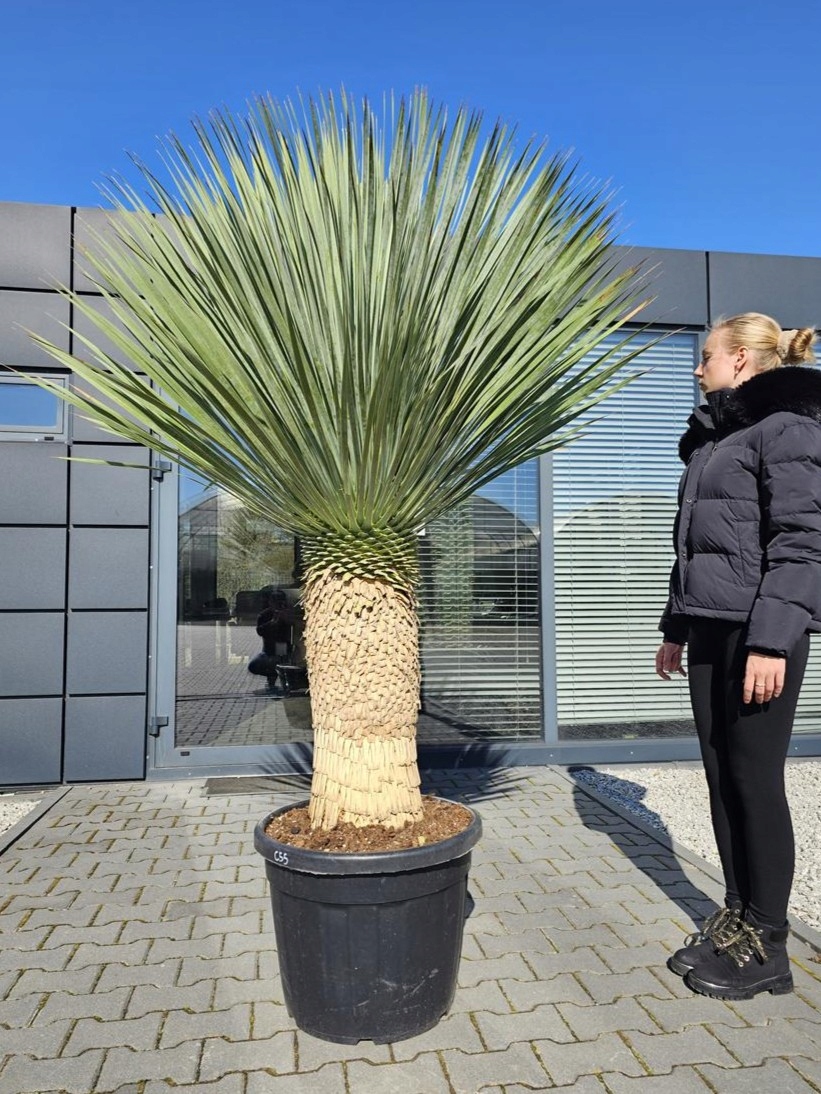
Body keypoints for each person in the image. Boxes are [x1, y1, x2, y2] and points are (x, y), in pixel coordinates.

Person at [656, 312, 820, 1000]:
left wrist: (771, 641)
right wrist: (674, 626)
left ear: (741, 362)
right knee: (721, 777)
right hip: (708, 629)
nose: (698, 369)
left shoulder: (788, 429)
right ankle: (737, 922)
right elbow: (693, 544)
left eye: (706, 356)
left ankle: (769, 947)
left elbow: (802, 542)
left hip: (758, 634)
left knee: (754, 781)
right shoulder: (714, 441)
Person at [247, 587, 293, 692]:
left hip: (284, 646)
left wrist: (286, 619)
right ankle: (272, 679)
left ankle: (285, 682)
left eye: (280, 602)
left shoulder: (288, 613)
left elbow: (295, 628)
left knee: (282, 661)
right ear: (270, 603)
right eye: (275, 602)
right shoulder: (264, 615)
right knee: (256, 665)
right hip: (269, 649)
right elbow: (260, 631)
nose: (277, 606)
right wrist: (272, 623)